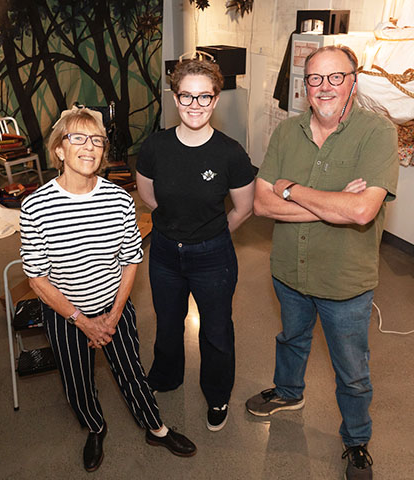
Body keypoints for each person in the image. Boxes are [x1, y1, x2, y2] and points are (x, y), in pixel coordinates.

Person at [245, 46, 398, 480]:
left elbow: (362, 213)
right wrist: (334, 203)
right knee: (291, 339)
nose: (325, 86)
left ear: (353, 79)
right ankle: (289, 392)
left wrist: (289, 188)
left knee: (352, 372)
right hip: (289, 271)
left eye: (336, 76)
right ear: (304, 86)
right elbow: (260, 203)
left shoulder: (378, 133)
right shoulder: (286, 132)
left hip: (344, 282)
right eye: (315, 78)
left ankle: (356, 441)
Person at [19, 107, 196, 473]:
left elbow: (131, 259)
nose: (90, 147)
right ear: (59, 151)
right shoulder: (35, 205)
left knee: (131, 370)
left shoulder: (117, 199)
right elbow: (37, 279)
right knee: (76, 380)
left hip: (114, 309)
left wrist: (113, 316)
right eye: (78, 138)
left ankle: (155, 427)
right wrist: (83, 321)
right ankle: (95, 427)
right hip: (66, 315)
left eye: (97, 140)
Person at [136, 57, 255, 432]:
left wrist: (210, 234)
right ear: (175, 97)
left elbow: (243, 208)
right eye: (186, 96)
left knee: (216, 330)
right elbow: (148, 196)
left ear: (216, 100)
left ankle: (217, 394)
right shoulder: (155, 146)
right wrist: (178, 226)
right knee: (168, 322)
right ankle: (166, 377)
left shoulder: (230, 153)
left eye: (204, 97)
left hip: (213, 256)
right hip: (166, 253)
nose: (195, 105)